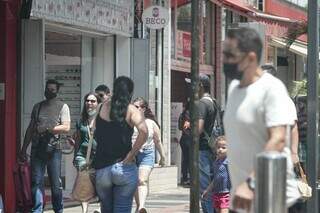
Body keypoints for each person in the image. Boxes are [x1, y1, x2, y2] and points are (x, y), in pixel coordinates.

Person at [222, 27, 300, 212]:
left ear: (250, 58)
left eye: (229, 55)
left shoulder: (271, 89)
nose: (224, 60)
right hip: (241, 198)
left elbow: (279, 139)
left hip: (271, 198)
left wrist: (251, 184)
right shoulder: (234, 88)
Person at [94, 76, 148, 213]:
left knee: (106, 209)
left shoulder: (101, 107)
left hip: (102, 168)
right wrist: (131, 154)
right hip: (124, 167)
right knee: (122, 209)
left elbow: (93, 130)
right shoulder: (131, 110)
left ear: (114, 90)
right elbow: (143, 131)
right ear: (130, 92)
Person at [19, 79, 71, 213]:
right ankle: (37, 209)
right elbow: (31, 128)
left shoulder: (63, 106)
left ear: (57, 91)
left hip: (54, 149)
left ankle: (58, 209)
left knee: (56, 183)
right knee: (36, 181)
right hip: (37, 147)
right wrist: (24, 148)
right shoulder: (38, 106)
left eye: (53, 90)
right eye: (48, 89)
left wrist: (48, 129)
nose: (50, 92)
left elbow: (66, 127)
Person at [132, 97, 166, 213]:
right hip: (132, 154)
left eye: (138, 107)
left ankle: (141, 206)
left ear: (144, 109)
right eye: (134, 106)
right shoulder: (129, 121)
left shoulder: (151, 123)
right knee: (136, 181)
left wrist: (162, 156)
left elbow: (158, 141)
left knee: (142, 180)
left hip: (147, 154)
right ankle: (138, 206)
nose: (136, 109)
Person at [72, 92, 101, 213]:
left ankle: (100, 207)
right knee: (84, 180)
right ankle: (84, 210)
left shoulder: (103, 121)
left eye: (93, 101)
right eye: (87, 101)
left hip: (99, 157)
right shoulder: (81, 121)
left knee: (100, 183)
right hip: (82, 155)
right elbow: (78, 140)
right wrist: (75, 156)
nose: (89, 103)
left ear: (98, 104)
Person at [197, 74, 217, 213]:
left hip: (202, 149)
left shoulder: (202, 104)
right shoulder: (214, 102)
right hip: (212, 148)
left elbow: (198, 129)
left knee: (204, 188)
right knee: (212, 184)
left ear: (200, 86)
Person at [202, 136, 231, 213]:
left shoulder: (228, 162)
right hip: (217, 193)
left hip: (226, 194)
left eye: (223, 147)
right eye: (218, 147)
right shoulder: (216, 162)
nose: (220, 149)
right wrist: (207, 190)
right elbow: (215, 179)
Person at [178, 100, 192, 186]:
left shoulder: (182, 113)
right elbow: (185, 125)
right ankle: (189, 179)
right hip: (189, 138)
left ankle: (185, 178)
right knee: (191, 159)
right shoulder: (190, 113)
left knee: (185, 159)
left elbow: (180, 127)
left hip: (183, 138)